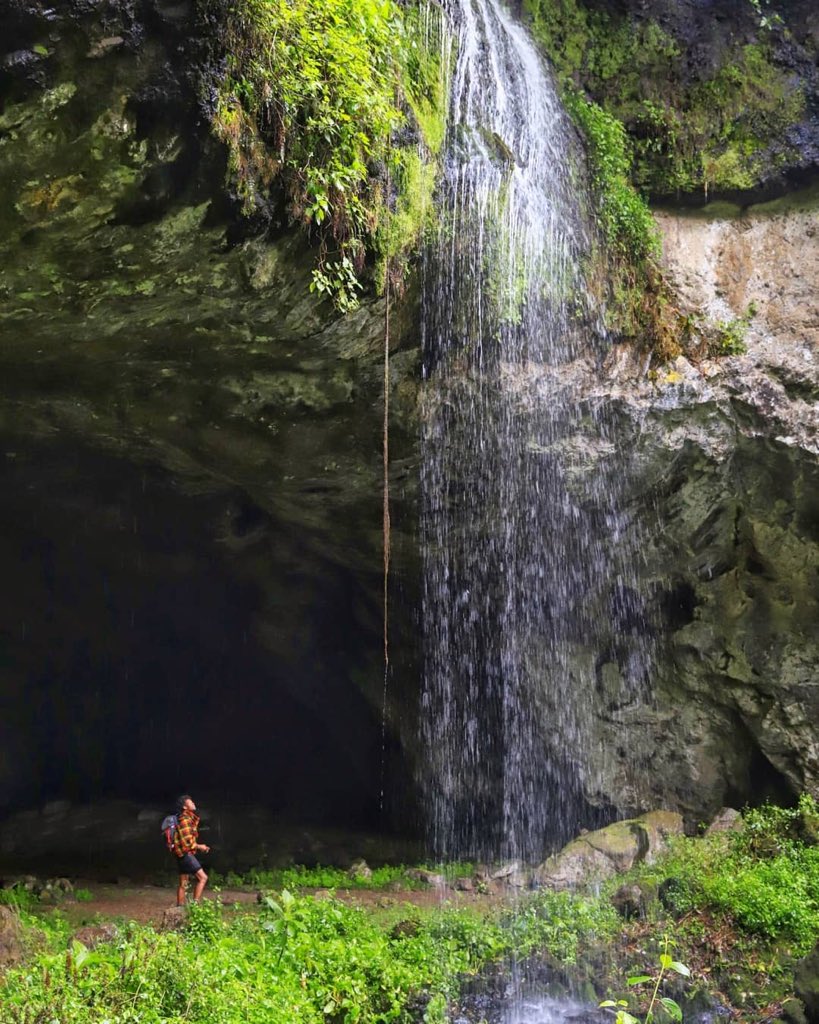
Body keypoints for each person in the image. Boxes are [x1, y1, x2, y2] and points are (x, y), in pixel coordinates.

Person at [173, 794, 210, 905]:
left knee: (183, 884)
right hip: (185, 855)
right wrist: (200, 847)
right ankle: (195, 906)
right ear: (185, 807)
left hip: (180, 855)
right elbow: (187, 843)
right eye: (190, 802)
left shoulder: (187, 819)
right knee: (203, 878)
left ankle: (179, 909)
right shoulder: (185, 820)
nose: (193, 803)